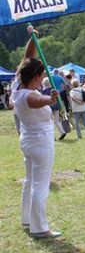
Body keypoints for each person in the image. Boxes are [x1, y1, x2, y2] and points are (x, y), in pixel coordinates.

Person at [11, 27, 62, 238]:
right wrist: (49, 99)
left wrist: (33, 37)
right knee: (40, 185)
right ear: (39, 76)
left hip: (28, 142)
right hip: (40, 144)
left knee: (30, 181)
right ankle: (40, 227)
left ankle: (27, 218)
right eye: (42, 75)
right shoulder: (30, 96)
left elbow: (27, 57)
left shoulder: (17, 85)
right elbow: (37, 101)